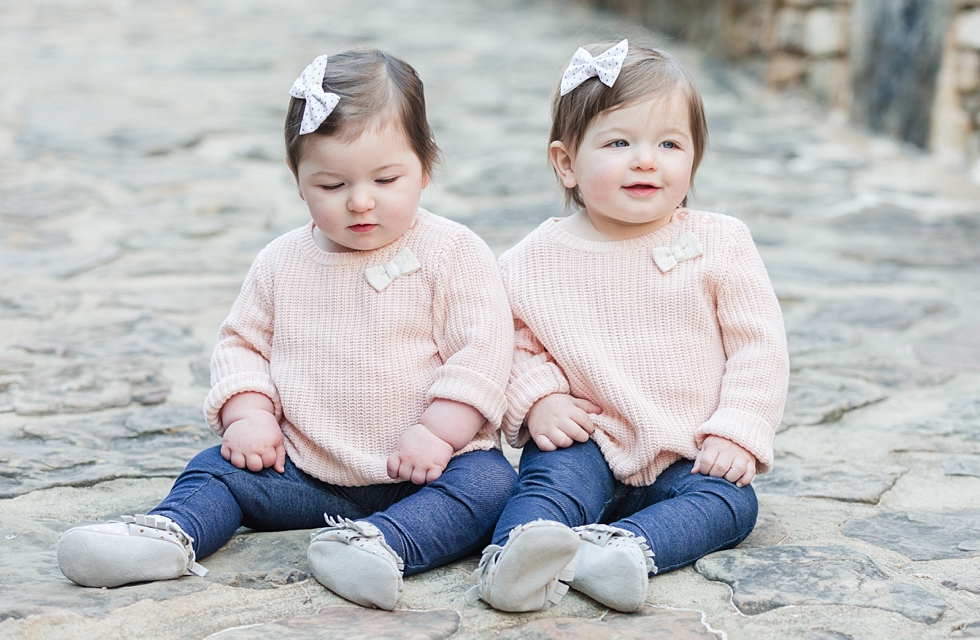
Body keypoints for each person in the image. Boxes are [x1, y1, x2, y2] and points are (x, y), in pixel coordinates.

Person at [57, 49, 518, 611]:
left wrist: (440, 432)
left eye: (386, 178)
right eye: (331, 185)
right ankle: (167, 535)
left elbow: (484, 353)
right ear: (299, 181)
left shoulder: (452, 252)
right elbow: (243, 346)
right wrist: (248, 414)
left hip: (428, 468)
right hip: (306, 469)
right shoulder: (282, 261)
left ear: (425, 167)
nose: (361, 200)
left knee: (492, 486)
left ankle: (381, 546)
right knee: (217, 469)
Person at [466, 39, 789, 614]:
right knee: (548, 486)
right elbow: (503, 342)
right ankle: (514, 558)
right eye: (619, 143)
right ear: (566, 162)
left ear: (693, 159)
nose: (647, 160)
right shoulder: (533, 259)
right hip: (587, 438)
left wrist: (738, 429)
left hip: (691, 447)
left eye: (669, 144)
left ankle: (621, 553)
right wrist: (537, 400)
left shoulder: (719, 242)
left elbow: (756, 346)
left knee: (731, 504)